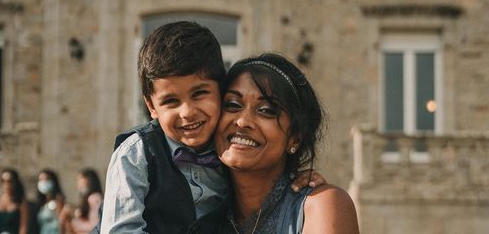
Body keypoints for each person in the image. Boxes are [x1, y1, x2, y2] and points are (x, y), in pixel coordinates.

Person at [99, 21, 322, 234]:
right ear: (151, 107)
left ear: (220, 90)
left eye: (199, 94)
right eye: (171, 101)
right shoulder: (137, 153)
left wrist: (297, 176)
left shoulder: (229, 149)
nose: (187, 112)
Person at [192, 53, 360, 233]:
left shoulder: (320, 206)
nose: (242, 121)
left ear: (294, 138)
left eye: (266, 110)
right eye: (233, 105)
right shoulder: (202, 215)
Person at [0, 168, 29, 234]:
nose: (6, 184)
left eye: (9, 181)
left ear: (15, 182)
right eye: (3, 181)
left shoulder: (21, 202)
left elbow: (23, 228)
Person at [36, 169, 70, 234]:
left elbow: (61, 223)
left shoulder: (58, 199)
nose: (43, 182)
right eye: (41, 180)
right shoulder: (42, 203)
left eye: (46, 179)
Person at [70, 169, 103, 234]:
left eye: (80, 179)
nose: (78, 183)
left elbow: (95, 226)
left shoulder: (94, 198)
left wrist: (75, 223)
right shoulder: (88, 198)